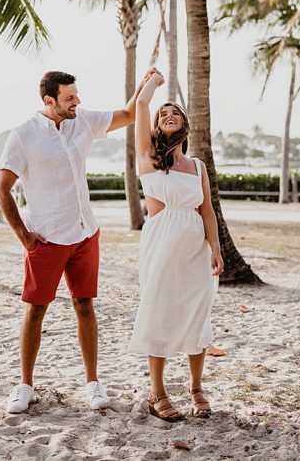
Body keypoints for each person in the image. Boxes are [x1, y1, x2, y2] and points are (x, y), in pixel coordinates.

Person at [0, 68, 156, 414]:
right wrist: (23, 235)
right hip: (46, 238)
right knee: (35, 311)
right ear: (48, 100)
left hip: (85, 234)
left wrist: (146, 84)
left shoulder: (82, 121)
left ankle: (92, 382)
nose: (77, 102)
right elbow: (3, 190)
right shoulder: (23, 135)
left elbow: (128, 114)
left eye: (77, 95)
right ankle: (25, 385)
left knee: (85, 306)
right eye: (70, 98)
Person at [127, 70, 223, 422]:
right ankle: (157, 393)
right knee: (160, 313)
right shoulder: (149, 158)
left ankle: (196, 389)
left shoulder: (197, 166)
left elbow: (207, 210)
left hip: (196, 249)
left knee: (197, 314)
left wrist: (216, 249)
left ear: (185, 124)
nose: (169, 114)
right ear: (157, 125)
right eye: (163, 113)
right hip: (162, 246)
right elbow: (141, 105)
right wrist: (153, 81)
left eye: (175, 112)